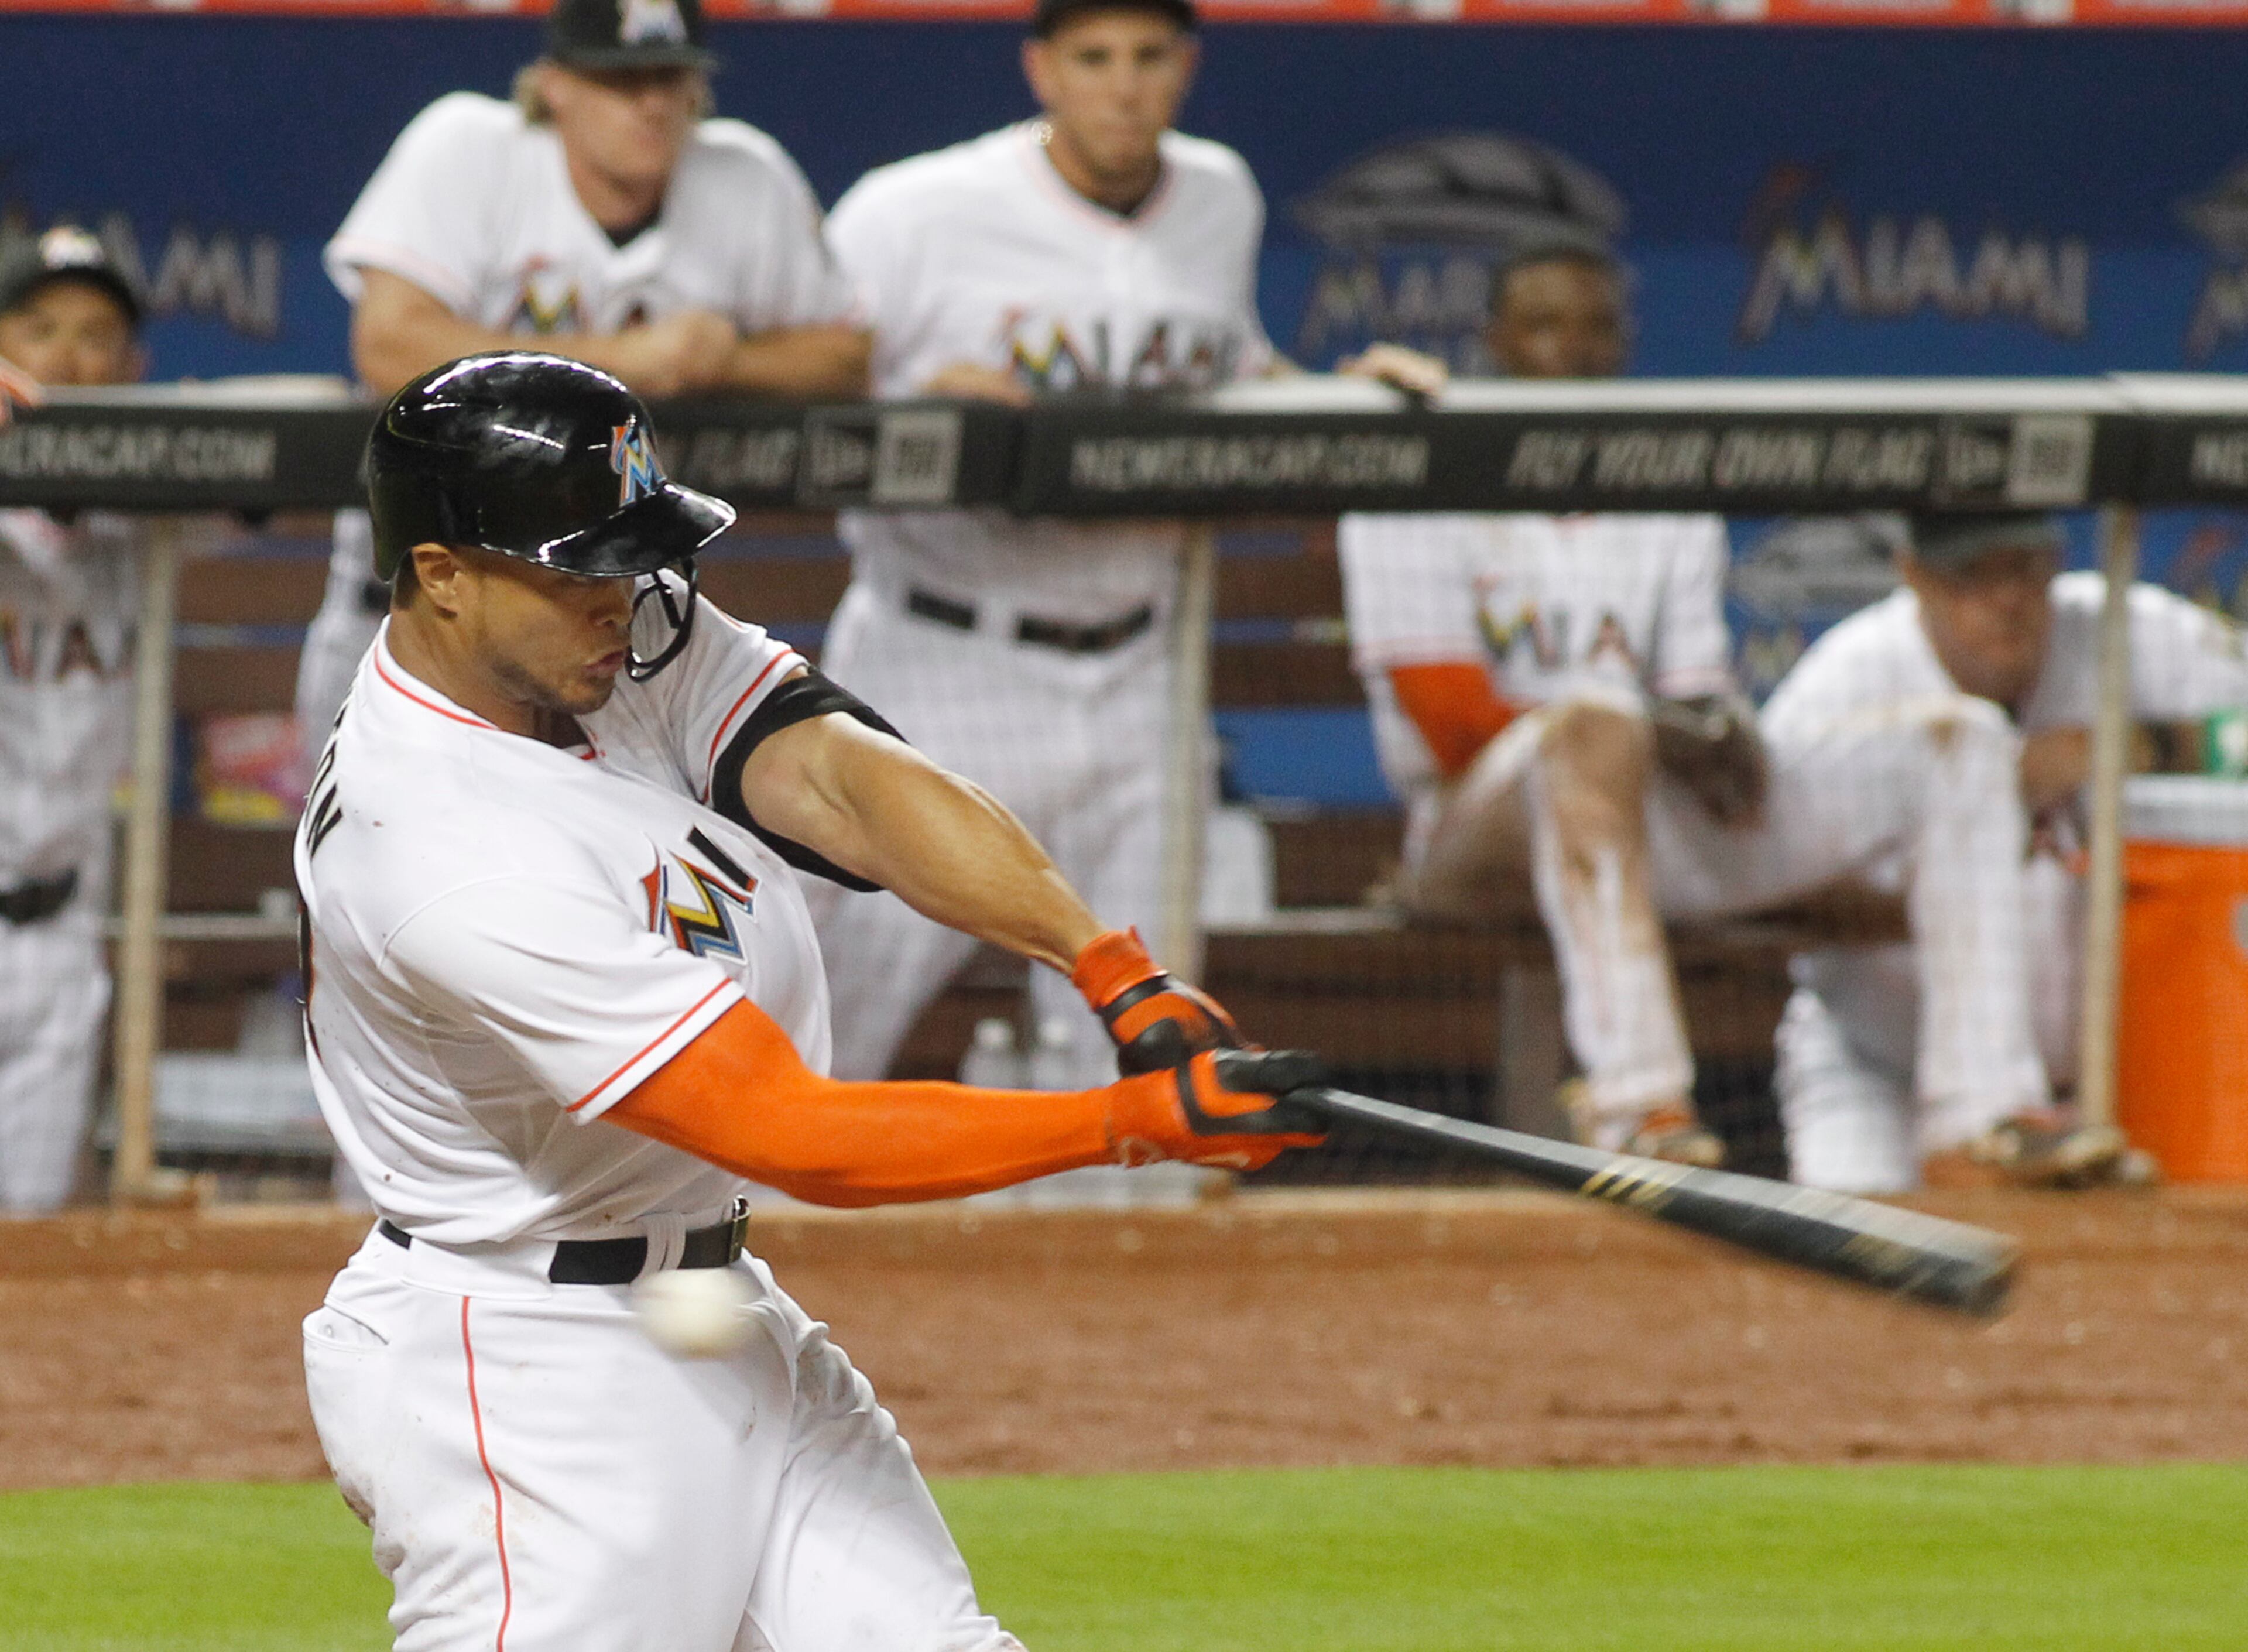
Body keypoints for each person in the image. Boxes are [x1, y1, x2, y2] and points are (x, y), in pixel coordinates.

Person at [297, 351, 1323, 1648]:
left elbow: (843, 781)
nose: (621, 599)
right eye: (581, 570)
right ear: (443, 572)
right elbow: (795, 1132)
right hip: (527, 1371)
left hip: (712, 1305)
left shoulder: (594, 644)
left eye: (632, 559)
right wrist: (1130, 1122)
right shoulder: (439, 846)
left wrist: (1112, 970)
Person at [811, 0, 1434, 1088]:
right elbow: (804, 377)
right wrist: (908, 400)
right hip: (944, 655)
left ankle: (1116, 1202)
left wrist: (1339, 400)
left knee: (1135, 1041)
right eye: (1095, 58)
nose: (1124, 85)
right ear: (1042, 69)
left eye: (1149, 57)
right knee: (830, 1012)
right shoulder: (913, 209)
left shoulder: (1218, 196)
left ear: (1185, 67)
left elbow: (1233, 369)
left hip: (1141, 669)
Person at [1337, 244, 2054, 1177]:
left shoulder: (1663, 489)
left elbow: (1693, 695)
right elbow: (1451, 723)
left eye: (1597, 328)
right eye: (1545, 325)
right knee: (1593, 722)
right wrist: (1641, 727)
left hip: (1635, 822)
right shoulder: (1424, 477)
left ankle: (1984, 1112)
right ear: (1495, 341)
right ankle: (1640, 1105)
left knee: (1962, 740)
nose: (1573, 350)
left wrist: (1719, 739)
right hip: (1471, 836)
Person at [294, 0, 868, 739]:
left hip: (617, 639)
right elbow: (389, 343)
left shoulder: (745, 176)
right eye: (621, 82)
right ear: (555, 83)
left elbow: (846, 355)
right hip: (427, 620)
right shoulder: (470, 149)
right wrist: (630, 359)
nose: (651, 105)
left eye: (670, 79)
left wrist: (733, 360)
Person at [1773, 512, 2248, 1192]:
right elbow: (1762, 889)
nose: (2007, 599)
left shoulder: (2134, 632)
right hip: (1878, 1067)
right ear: (1915, 576)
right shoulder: (1844, 684)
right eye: (1974, 575)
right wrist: (1933, 898)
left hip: (2116, 1080)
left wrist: (2136, 745)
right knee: (1854, 1242)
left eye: (2025, 568)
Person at [0, 227, 149, 1213]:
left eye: (97, 334)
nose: (67, 356)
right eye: (38, 327)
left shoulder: (144, 510)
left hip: (61, 925)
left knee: (30, 1233)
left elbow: (305, 425)